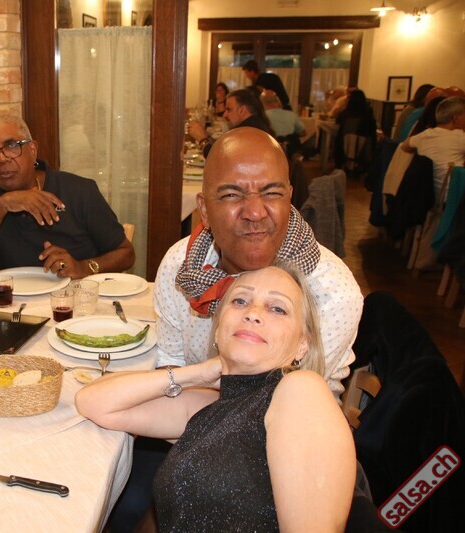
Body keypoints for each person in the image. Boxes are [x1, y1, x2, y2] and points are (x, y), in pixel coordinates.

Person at [76, 264, 356, 531]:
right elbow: (94, 402)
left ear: (302, 345)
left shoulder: (301, 391)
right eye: (240, 301)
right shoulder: (210, 407)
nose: (253, 313)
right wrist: (196, 373)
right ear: (219, 328)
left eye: (277, 308)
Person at [156, 127, 362, 397]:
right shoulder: (179, 267)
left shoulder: (332, 293)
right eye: (231, 195)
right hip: (187, 409)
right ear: (204, 209)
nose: (254, 213)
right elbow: (170, 363)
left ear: (289, 199)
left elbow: (281, 405)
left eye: (271, 193)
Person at [0, 114, 134, 279]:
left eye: (12, 146)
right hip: (16, 301)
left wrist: (84, 267)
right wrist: (1, 206)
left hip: (77, 297)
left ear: (32, 150)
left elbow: (126, 253)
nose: (1, 158)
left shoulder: (79, 190)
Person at [401, 95, 465, 200]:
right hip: (453, 197)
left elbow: (404, 146)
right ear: (455, 118)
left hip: (427, 196)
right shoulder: (459, 136)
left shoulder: (425, 135)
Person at [189, 89, 274, 156]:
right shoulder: (255, 124)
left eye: (229, 109)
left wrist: (202, 139)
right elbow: (222, 149)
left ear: (242, 110)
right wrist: (207, 137)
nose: (225, 115)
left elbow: (220, 159)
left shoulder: (247, 132)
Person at [333, 89, 378, 173]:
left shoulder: (346, 113)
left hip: (344, 146)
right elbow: (372, 130)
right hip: (363, 149)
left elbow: (337, 121)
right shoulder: (368, 113)